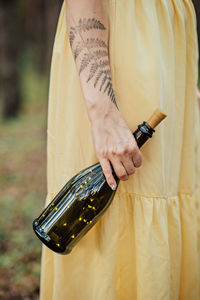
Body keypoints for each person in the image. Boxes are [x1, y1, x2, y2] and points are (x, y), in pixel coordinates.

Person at [40, 0, 200, 299]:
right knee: (125, 205)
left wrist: (180, 85)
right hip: (117, 52)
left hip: (162, 48)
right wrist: (102, 111)